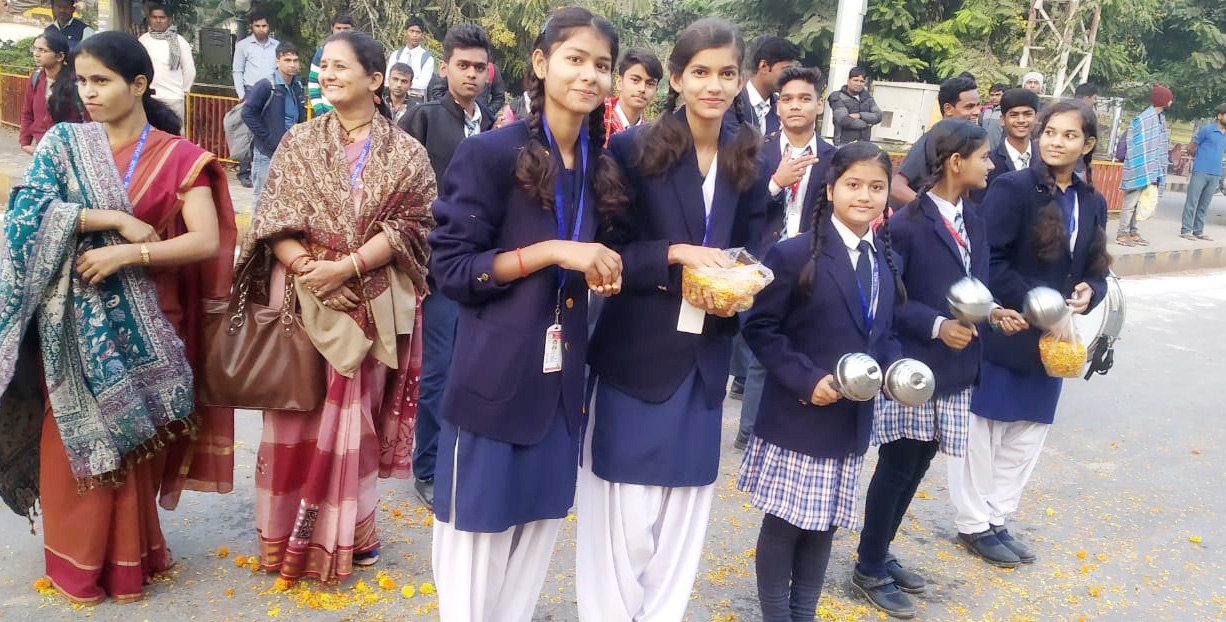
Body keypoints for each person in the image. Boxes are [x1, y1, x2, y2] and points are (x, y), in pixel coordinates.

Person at [0, 30, 236, 605]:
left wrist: (127, 254)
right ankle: (78, 565)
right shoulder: (63, 142)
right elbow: (26, 213)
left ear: (138, 84)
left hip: (150, 316)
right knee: (70, 442)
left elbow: (205, 240)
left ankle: (130, 561)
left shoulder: (180, 156)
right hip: (69, 323)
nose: (88, 92)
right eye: (82, 80)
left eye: (101, 80)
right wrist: (113, 219)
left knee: (131, 444)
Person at [427, 7, 624, 621]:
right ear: (540, 64)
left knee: (534, 542)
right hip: (493, 380)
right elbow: (452, 270)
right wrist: (551, 252)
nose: (589, 75)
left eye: (601, 65)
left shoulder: (599, 166)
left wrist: (601, 269)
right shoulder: (489, 153)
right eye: (575, 59)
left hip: (560, 388)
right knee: (475, 547)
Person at [580, 18, 768, 622]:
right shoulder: (634, 151)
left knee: (684, 513)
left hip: (705, 357)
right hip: (638, 351)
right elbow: (605, 248)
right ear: (678, 78)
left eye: (727, 73)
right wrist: (676, 255)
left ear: (739, 79)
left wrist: (743, 281)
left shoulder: (749, 153)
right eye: (701, 72)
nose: (715, 85)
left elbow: (757, 241)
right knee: (623, 512)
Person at [243, 30, 432, 585]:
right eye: (322, 65)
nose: (326, 74)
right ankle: (283, 536)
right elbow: (271, 220)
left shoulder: (407, 153)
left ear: (375, 80)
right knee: (294, 414)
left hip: (369, 302)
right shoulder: (299, 142)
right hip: (302, 301)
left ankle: (351, 535)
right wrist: (313, 273)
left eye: (339, 66)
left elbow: (416, 227)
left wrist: (346, 268)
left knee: (357, 422)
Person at [852, 120, 1027, 617]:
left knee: (920, 462)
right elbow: (890, 299)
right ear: (955, 162)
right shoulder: (905, 225)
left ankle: (881, 551)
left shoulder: (975, 219)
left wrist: (992, 312)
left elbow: (976, 285)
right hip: (914, 368)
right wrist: (936, 326)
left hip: (955, 368)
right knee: (898, 463)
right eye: (983, 157)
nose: (990, 165)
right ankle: (869, 565)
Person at [738, 142, 903, 622]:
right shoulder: (793, 254)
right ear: (830, 190)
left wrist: (893, 371)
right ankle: (777, 615)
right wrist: (806, 380)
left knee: (824, 526)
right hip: (799, 417)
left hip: (851, 421)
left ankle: (803, 612)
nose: (865, 196)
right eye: (853, 185)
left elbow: (884, 332)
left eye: (876, 187)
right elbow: (760, 328)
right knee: (785, 526)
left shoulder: (883, 260)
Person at [950, 99, 1111, 568]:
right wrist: (1040, 305)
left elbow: (1096, 266)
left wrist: (1091, 291)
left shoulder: (1092, 200)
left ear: (1088, 144)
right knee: (985, 430)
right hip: (1010, 325)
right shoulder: (1013, 188)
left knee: (1028, 432)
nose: (1056, 142)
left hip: (1054, 340)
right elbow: (990, 261)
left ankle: (997, 517)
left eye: (1069, 135)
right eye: (1050, 132)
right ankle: (972, 522)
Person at [397, 22, 495, 512]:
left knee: (476, 367)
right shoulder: (423, 118)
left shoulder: (493, 122)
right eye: (463, 66)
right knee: (439, 370)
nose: (471, 74)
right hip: (439, 267)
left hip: (487, 267)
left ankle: (462, 459)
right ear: (445, 67)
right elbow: (399, 188)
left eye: (479, 67)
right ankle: (429, 467)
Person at [733, 66, 833, 450]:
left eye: (805, 99)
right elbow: (740, 209)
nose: (795, 106)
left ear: (819, 105)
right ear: (777, 106)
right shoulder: (756, 151)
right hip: (764, 263)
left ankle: (790, 430)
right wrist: (776, 182)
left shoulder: (833, 158)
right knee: (762, 348)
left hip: (812, 264)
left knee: (804, 344)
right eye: (787, 99)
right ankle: (749, 433)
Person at [891, 75, 979, 206]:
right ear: (948, 109)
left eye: (978, 105)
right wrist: (934, 211)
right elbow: (896, 187)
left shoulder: (969, 141)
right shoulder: (930, 141)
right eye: (969, 107)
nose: (977, 112)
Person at [242, 42, 305, 203]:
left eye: (295, 60)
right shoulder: (266, 85)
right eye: (287, 60)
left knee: (285, 199)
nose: (292, 65)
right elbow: (247, 113)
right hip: (266, 153)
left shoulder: (297, 86)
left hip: (289, 152)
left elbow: (300, 117)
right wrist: (269, 139)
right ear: (277, 61)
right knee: (262, 198)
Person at [1117, 84, 1172, 247]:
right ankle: (1122, 233)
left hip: (1151, 168)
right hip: (1138, 167)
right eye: (1169, 99)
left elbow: (1157, 147)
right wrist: (1144, 166)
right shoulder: (1144, 119)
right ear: (1163, 101)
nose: (1171, 102)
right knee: (1130, 203)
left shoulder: (1160, 120)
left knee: (1140, 203)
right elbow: (1137, 147)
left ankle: (1133, 232)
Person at [232, 11, 279, 188]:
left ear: (269, 27)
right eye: (257, 26)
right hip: (251, 92)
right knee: (247, 134)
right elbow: (237, 70)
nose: (261, 29)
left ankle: (268, 170)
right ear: (252, 26)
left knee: (267, 130)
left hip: (271, 92)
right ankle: (244, 172)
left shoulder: (277, 46)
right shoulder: (243, 46)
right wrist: (242, 95)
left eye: (264, 26)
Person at [972, 88, 1040, 204]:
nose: (1021, 120)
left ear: (1036, 118)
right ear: (1002, 120)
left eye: (1027, 114)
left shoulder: (1045, 160)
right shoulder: (988, 163)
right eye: (1014, 115)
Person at [20, 32, 83, 154]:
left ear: (60, 56)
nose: (36, 54)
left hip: (72, 151)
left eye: (42, 50)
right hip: (42, 148)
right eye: (34, 49)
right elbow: (27, 113)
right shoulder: (35, 78)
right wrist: (25, 143)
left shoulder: (77, 82)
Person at [138, 4, 195, 123]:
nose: (158, 20)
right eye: (154, 17)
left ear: (169, 20)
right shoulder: (143, 40)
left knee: (173, 132)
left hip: (173, 99)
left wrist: (181, 91)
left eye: (162, 17)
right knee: (150, 132)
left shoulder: (180, 42)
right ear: (149, 19)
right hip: (149, 98)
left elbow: (189, 72)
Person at [1180, 104, 1226, 241]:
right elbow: (1191, 147)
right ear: (1220, 116)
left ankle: (1198, 231)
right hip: (1200, 171)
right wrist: (1200, 158)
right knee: (1192, 201)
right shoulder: (1207, 130)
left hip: (1215, 173)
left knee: (1204, 204)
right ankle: (1186, 230)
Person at [738, 36, 801, 135]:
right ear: (764, 66)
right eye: (786, 70)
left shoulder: (783, 107)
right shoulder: (732, 105)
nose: (790, 77)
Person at [603, 47, 662, 137]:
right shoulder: (596, 117)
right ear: (619, 82)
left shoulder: (651, 136)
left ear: (656, 90)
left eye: (650, 84)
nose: (642, 89)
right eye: (635, 80)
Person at [308, 14, 356, 116]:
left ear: (353, 29)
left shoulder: (360, 51)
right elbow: (313, 83)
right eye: (338, 28)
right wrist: (320, 112)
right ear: (332, 29)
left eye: (346, 28)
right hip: (327, 112)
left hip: (354, 113)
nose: (342, 32)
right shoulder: (322, 51)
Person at [427, 61, 506, 119]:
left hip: (478, 123)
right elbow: (438, 91)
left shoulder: (491, 69)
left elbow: (499, 97)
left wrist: (486, 112)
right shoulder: (454, 64)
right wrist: (451, 109)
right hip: (448, 117)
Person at [828, 66, 882, 146]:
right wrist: (867, 124)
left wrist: (860, 115)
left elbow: (878, 116)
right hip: (843, 144)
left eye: (862, 81)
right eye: (855, 80)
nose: (858, 84)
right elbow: (844, 120)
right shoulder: (837, 96)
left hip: (864, 144)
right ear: (848, 81)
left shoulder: (867, 97)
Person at [386, 17, 434, 100]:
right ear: (405, 32)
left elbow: (423, 84)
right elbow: (387, 80)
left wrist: (398, 81)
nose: (414, 35)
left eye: (418, 32)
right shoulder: (396, 55)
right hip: (395, 98)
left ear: (423, 35)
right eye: (411, 31)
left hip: (417, 100)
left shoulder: (427, 59)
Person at [980, 83, 1006, 149]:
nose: (994, 97)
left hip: (1000, 150)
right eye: (992, 95)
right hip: (985, 150)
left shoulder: (1005, 112)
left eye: (997, 95)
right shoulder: (985, 112)